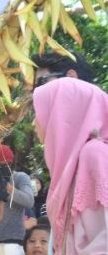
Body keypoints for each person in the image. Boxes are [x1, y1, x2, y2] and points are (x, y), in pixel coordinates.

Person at [33, 77, 108, 254]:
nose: (35, 123)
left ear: (64, 115)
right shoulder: (70, 167)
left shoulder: (95, 153)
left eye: (42, 113)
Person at [0, 144, 34, 255]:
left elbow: (29, 200)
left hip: (13, 240)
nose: (3, 168)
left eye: (6, 165)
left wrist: (9, 190)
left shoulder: (20, 177)